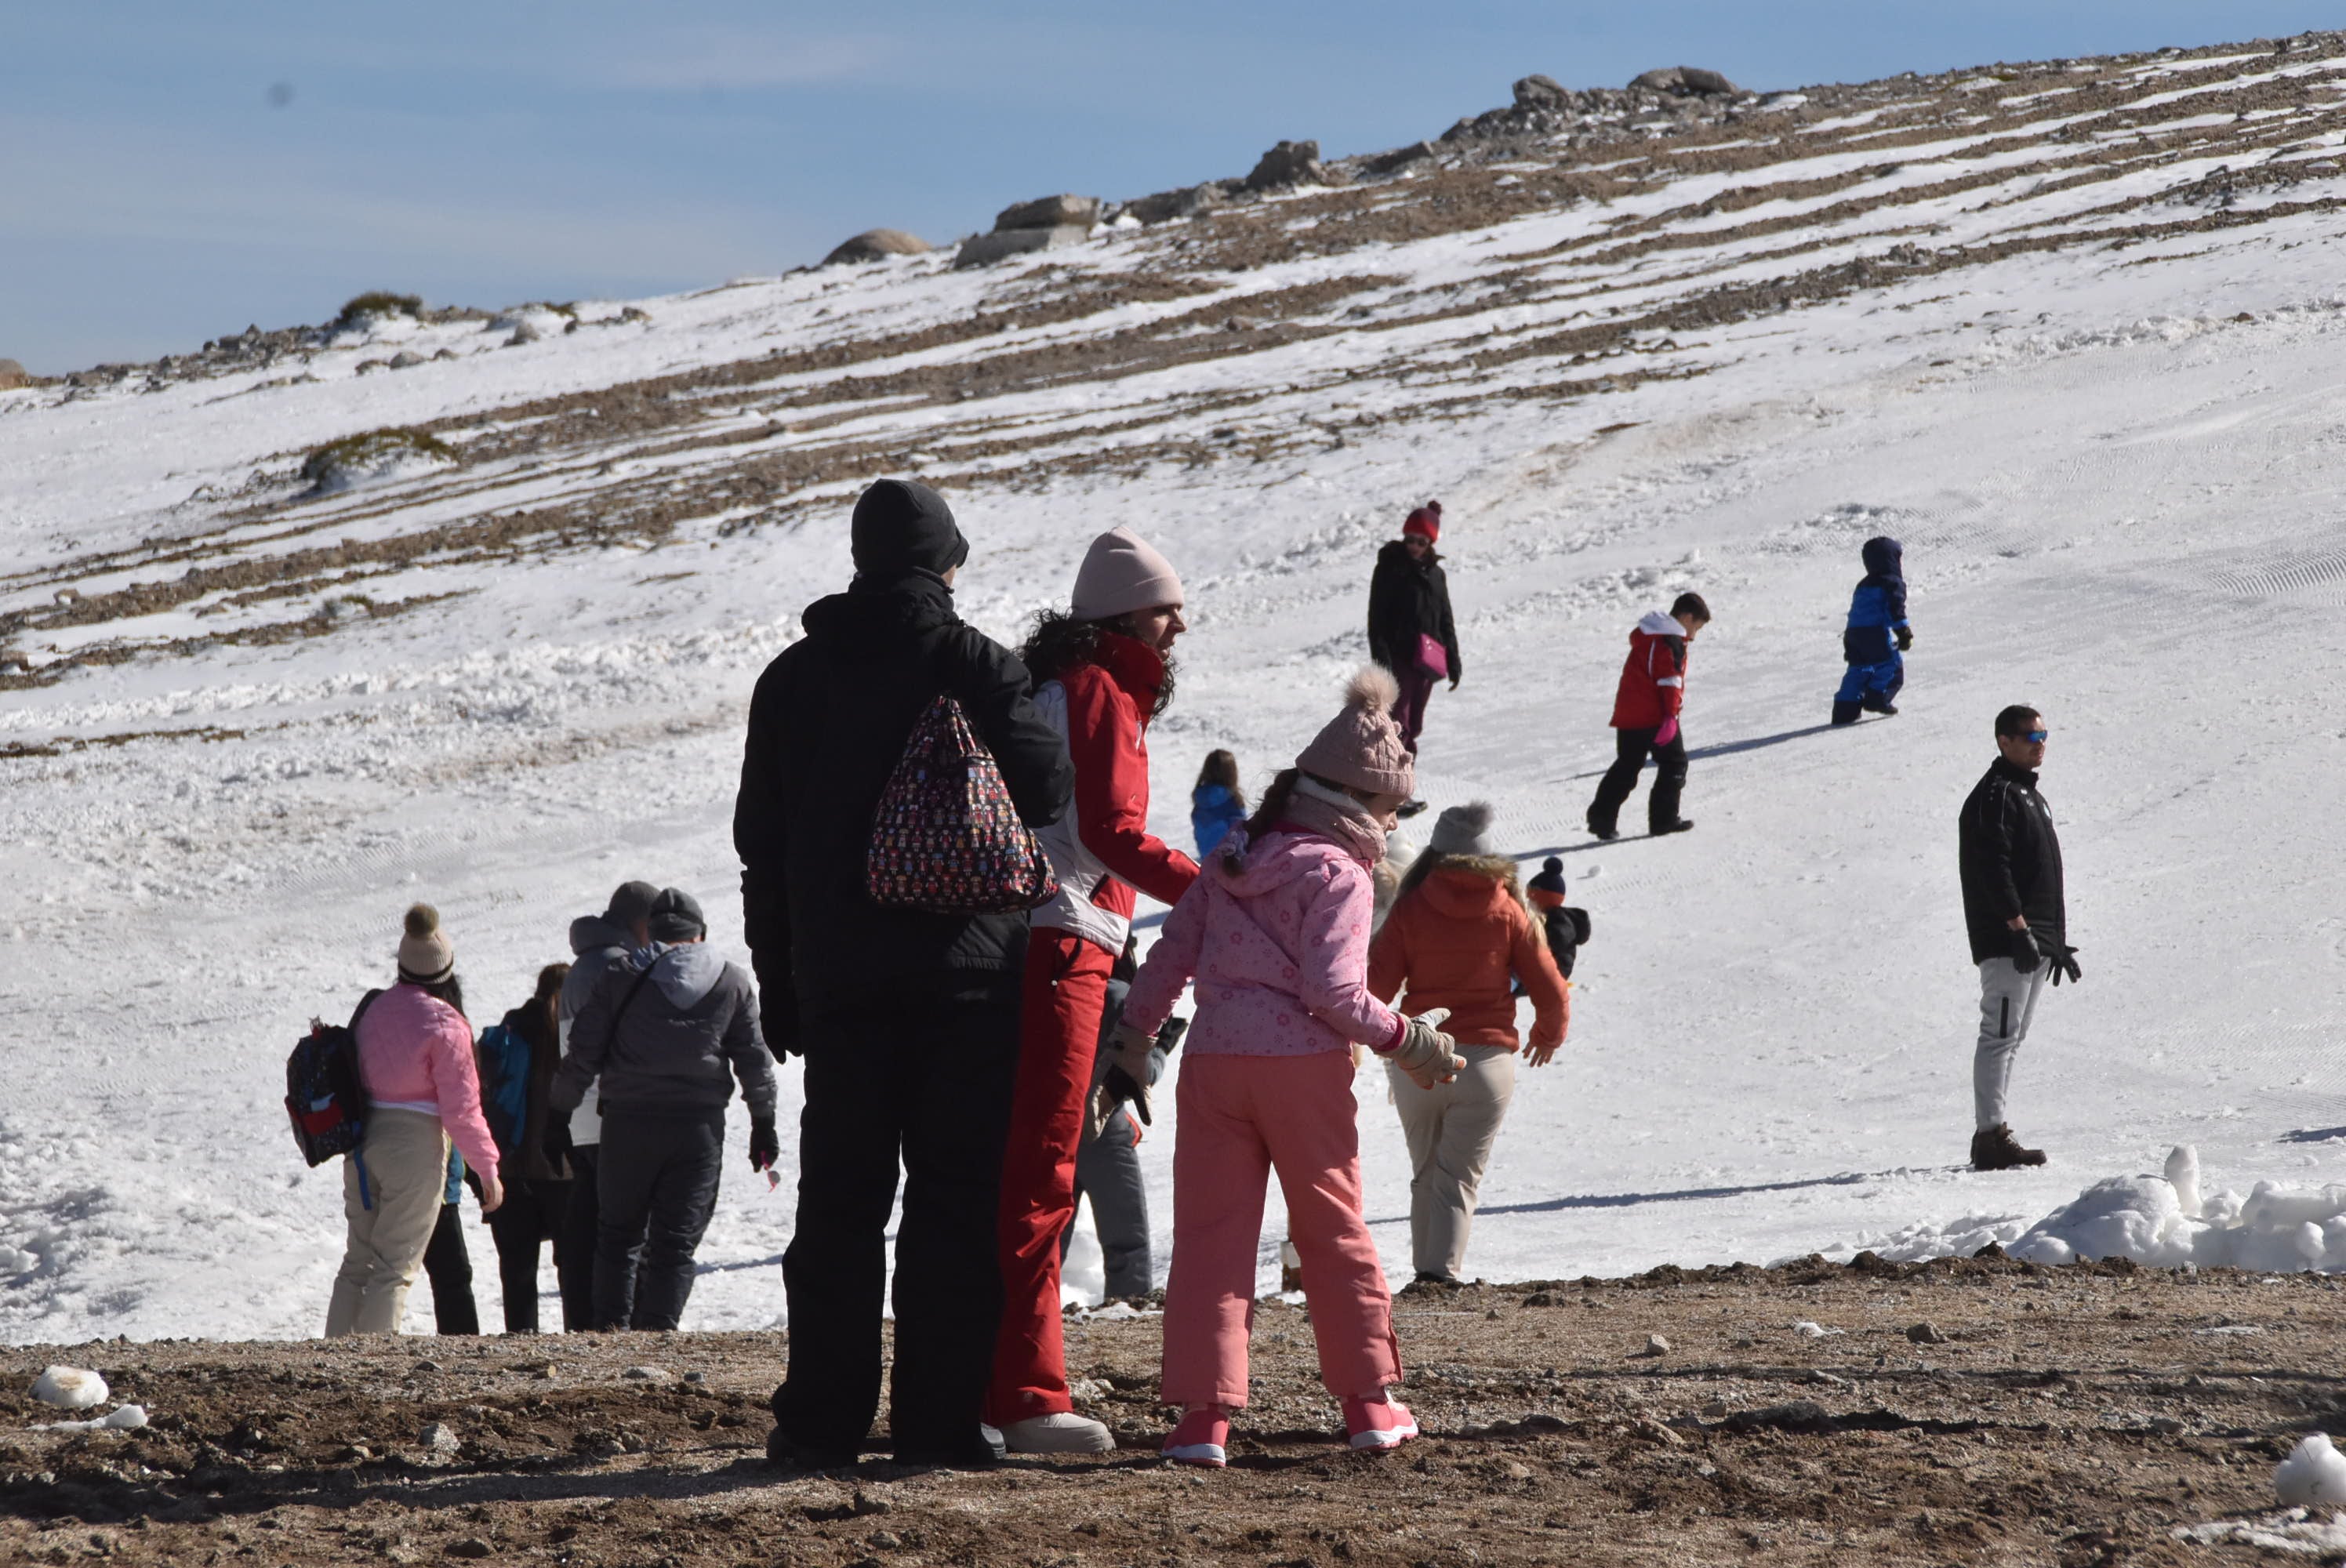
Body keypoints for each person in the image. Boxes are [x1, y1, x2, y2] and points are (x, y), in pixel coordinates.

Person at [737, 479, 1073, 1469]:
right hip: (970, 982)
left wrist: (783, 981)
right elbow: (1049, 788)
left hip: (841, 986)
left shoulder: (793, 679)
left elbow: (764, 846)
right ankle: (935, 1424)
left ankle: (819, 1423)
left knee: (838, 1209)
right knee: (952, 1204)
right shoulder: (972, 660)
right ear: (943, 562)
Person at [1108, 665, 1463, 1468]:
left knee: (1211, 1239)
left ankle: (1202, 1421)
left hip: (1213, 1065)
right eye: (1391, 806)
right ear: (1358, 801)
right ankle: (1371, 1402)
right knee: (1333, 1230)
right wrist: (1406, 1036)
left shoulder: (1233, 855)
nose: (1392, 820)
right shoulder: (1339, 872)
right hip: (1300, 1068)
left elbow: (1169, 958)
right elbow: (1333, 991)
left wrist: (1132, 1043)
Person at [989, 524, 1200, 1455]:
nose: (1178, 628)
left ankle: (993, 1382)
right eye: (1166, 610)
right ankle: (1029, 1396)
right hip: (1068, 942)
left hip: (1020, 938)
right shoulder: (1102, 690)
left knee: (1011, 1170)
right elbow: (1112, 831)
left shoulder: (1048, 685)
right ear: (1123, 616)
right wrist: (1218, 892)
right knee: (1044, 1174)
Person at [550, 888, 777, 1332]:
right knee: (674, 1243)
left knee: (618, 1237)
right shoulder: (730, 979)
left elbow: (583, 1051)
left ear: (651, 932)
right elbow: (753, 1058)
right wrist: (763, 1124)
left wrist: (559, 1114)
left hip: (627, 1125)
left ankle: (612, 1339)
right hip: (697, 1130)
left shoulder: (621, 974)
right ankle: (657, 1337)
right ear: (701, 933)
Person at [1368, 803, 1570, 1286]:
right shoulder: (1509, 909)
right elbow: (1550, 986)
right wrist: (1548, 1033)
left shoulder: (1410, 906)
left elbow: (1372, 989)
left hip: (1418, 1055)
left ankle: (1425, 1275)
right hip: (1486, 1063)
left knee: (1425, 1172)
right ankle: (1440, 1276)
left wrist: (1373, 1039)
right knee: (1457, 1175)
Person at [325, 905, 503, 1337]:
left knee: (358, 1261)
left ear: (402, 965)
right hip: (416, 1147)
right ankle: (373, 1363)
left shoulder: (374, 1010)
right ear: (446, 971)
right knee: (394, 1267)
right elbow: (461, 1110)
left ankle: (329, 1360)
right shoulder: (447, 1025)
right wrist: (488, 1169)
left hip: (364, 1142)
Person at [1958, 706, 2079, 1170]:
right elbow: (1993, 871)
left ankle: (1996, 1129)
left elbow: (2040, 876)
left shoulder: (2028, 795)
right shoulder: (1995, 796)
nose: (2039, 742)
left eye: (2044, 734)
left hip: (2032, 940)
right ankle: (1989, 1136)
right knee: (1999, 1035)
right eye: (2030, 735)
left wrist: (2052, 941)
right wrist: (2019, 929)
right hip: (2007, 941)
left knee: (2013, 1036)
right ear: (2003, 741)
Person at [548, 881, 657, 1332]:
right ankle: (624, 1323)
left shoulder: (580, 968)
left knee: (589, 1221)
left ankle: (584, 1320)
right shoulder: (622, 967)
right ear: (639, 923)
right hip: (616, 1117)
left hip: (583, 1120)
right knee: (627, 1230)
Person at [1071, 936, 1186, 1302]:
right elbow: (1139, 1073)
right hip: (1106, 1129)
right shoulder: (1121, 995)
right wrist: (1163, 1048)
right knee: (1126, 1243)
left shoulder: (1058, 985)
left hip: (1051, 1123)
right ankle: (1128, 1312)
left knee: (1048, 1240)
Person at [477, 963, 574, 1334]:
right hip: (562, 1170)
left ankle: (520, 1348)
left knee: (517, 1272)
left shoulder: (511, 1030)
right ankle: (581, 1347)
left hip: (511, 1169)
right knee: (573, 1269)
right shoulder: (573, 1033)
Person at [1586, 592, 1710, 840]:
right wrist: (1670, 716)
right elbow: (1669, 680)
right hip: (1654, 715)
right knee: (1675, 763)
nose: (1694, 636)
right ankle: (1664, 820)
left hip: (1629, 713)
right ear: (1686, 617)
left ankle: (1601, 820)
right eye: (1695, 627)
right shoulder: (1669, 640)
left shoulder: (1649, 636)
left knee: (1628, 765)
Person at [1365, 503, 1461, 811]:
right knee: (1398, 725)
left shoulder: (1436, 575)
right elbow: (1376, 618)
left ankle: (1400, 789)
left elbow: (1446, 619)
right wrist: (1383, 663)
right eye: (1410, 539)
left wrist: (1454, 660)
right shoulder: (1390, 569)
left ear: (1431, 543)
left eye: (1422, 541)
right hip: (1399, 660)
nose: (1414, 546)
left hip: (1427, 663)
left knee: (1413, 726)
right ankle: (1392, 793)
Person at [1832, 536, 1911, 726]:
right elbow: (1895, 608)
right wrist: (1903, 631)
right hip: (1874, 632)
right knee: (1890, 663)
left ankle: (1845, 708)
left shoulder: (1863, 584)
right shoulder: (1892, 582)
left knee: (1858, 668)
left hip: (1853, 634)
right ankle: (1877, 697)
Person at [419, 1151, 481, 1334]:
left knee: (375, 1272)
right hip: (435, 1189)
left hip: (381, 1178)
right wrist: (486, 1174)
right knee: (454, 1275)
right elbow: (461, 1125)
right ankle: (463, 1349)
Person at [1524, 857, 1591, 980]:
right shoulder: (1543, 917)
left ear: (1543, 899)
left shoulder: (1561, 920)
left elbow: (1559, 937)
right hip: (1543, 970)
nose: (1529, 902)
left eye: (1532, 899)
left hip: (1555, 973)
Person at [1190, 750, 1248, 859]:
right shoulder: (1232, 801)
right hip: (1228, 863)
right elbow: (1241, 837)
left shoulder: (1200, 797)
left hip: (1206, 860)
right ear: (1232, 773)